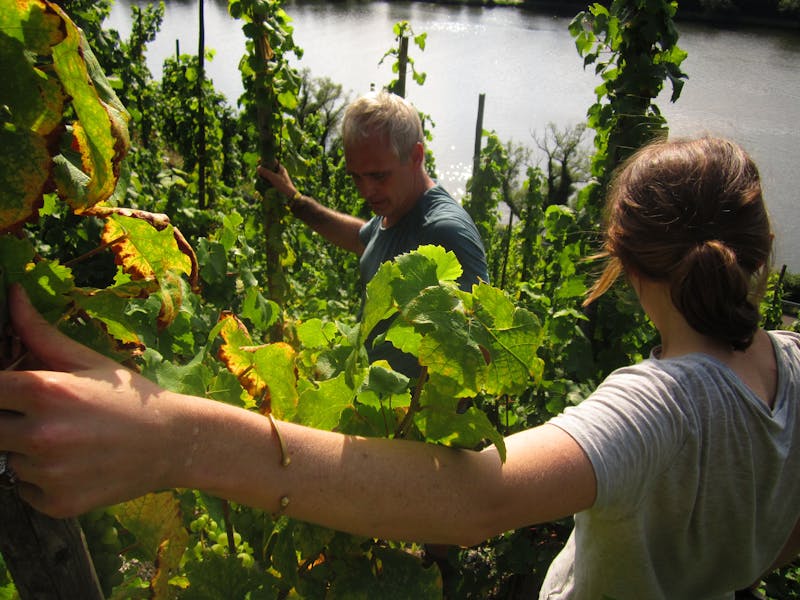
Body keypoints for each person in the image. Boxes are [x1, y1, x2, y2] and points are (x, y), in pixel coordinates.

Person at [1, 136, 799, 598]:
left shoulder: (656, 409)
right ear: (761, 249)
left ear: (620, 260)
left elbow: (479, 500)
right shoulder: (791, 368)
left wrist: (173, 441)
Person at [257, 90, 488, 377]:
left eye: (379, 176)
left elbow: (481, 348)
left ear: (415, 156)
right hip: (370, 394)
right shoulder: (393, 210)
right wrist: (296, 201)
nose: (366, 191)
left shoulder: (445, 230)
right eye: (356, 176)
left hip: (403, 405)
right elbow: (362, 239)